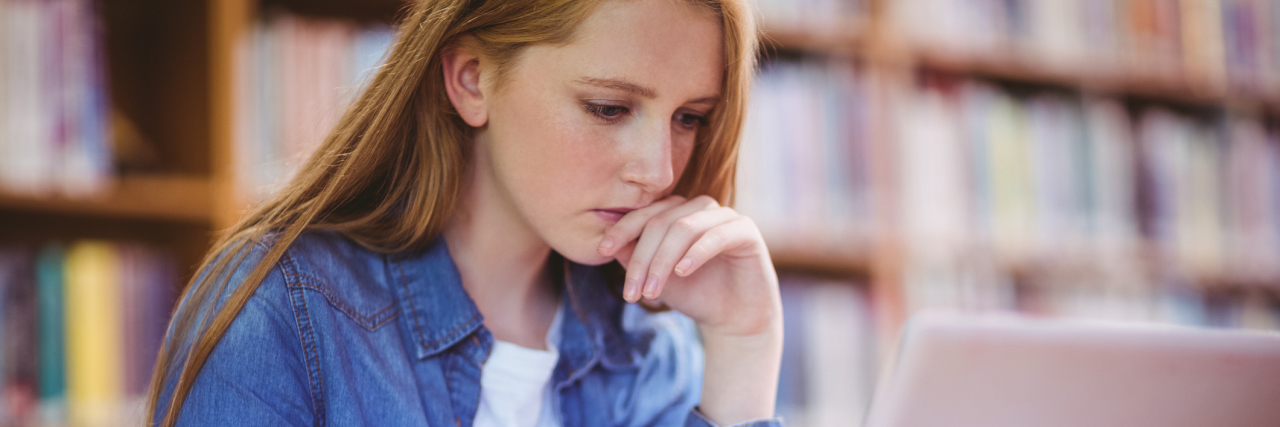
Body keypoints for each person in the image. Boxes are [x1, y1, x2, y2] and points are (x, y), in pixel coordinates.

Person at [147, 0, 783, 426]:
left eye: (689, 119)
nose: (660, 170)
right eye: (608, 108)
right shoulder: (285, 308)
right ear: (472, 78)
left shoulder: (654, 356)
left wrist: (744, 345)